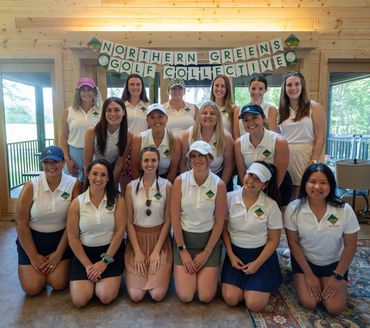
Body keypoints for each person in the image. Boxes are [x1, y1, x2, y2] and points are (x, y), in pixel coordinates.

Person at [284, 163, 360, 315]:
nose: (317, 187)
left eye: (323, 182)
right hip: (306, 261)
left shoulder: (344, 210)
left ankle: (328, 278)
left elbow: (350, 245)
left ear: (331, 185)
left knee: (334, 308)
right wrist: (309, 274)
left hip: (334, 263)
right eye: (312, 181)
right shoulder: (293, 209)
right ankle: (300, 276)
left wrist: (337, 276)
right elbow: (293, 243)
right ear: (305, 183)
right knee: (309, 302)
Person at [15, 146, 82, 296]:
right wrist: (33, 255)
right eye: (46, 162)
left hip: (61, 239)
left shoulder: (74, 184)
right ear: (42, 164)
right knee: (32, 288)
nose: (50, 166)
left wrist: (58, 253)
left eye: (55, 162)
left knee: (58, 283)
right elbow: (21, 224)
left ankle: (52, 270)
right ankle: (37, 270)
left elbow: (72, 224)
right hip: (33, 239)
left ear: (63, 163)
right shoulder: (32, 185)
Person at [221, 161, 282, 312]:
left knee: (254, 304)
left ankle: (255, 286)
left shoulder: (271, 205)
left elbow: (274, 240)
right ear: (245, 174)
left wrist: (257, 264)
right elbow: (224, 230)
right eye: (250, 175)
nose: (251, 181)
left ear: (265, 185)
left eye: (258, 179)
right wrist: (230, 254)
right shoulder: (229, 198)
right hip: (235, 255)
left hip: (261, 256)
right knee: (231, 299)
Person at [171, 140, 227, 303]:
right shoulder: (180, 181)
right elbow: (175, 218)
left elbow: (218, 222)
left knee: (205, 297)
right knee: (186, 296)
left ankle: (209, 267)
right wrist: (183, 250)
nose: (197, 160)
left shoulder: (219, 185)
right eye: (193, 156)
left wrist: (207, 252)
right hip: (184, 242)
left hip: (208, 243)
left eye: (201, 156)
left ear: (210, 158)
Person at [67, 159, 126, 307]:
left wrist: (105, 262)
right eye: (94, 174)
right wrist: (88, 266)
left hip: (110, 253)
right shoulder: (77, 203)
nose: (98, 179)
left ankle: (100, 281)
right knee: (80, 300)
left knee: (105, 296)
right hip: (84, 255)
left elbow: (120, 231)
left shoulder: (118, 199)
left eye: (103, 175)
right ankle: (90, 279)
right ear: (88, 175)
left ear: (108, 178)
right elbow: (73, 237)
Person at [124, 147, 172, 302]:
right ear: (140, 163)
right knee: (136, 296)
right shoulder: (131, 187)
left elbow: (167, 220)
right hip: (136, 241)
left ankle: (162, 269)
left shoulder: (166, 186)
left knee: (157, 295)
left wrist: (156, 251)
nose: (150, 164)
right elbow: (129, 222)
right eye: (146, 160)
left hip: (159, 241)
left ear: (158, 163)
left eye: (153, 160)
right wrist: (137, 252)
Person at [278, 71, 325, 199]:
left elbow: (320, 137)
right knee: (288, 194)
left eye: (297, 84)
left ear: (302, 86)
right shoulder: (281, 110)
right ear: (284, 88)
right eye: (289, 85)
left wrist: (313, 161)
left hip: (307, 156)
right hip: (286, 156)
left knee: (305, 193)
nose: (293, 88)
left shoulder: (314, 107)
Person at [235, 103, 292, 206]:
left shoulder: (279, 141)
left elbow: (280, 173)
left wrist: (268, 195)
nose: (250, 122)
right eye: (246, 120)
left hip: (276, 187)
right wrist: (251, 193)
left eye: (254, 118)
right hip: (252, 186)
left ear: (263, 118)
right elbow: (242, 173)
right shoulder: (239, 143)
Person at [180, 101, 234, 191]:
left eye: (212, 114)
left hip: (218, 176)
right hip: (192, 177)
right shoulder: (188, 135)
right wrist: (186, 183)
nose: (208, 116)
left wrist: (220, 187)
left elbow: (228, 166)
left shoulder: (226, 137)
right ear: (199, 116)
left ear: (218, 118)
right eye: (204, 113)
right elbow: (182, 163)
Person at [84, 97, 133, 188]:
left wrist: (111, 185)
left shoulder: (128, 135)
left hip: (113, 170)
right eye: (109, 110)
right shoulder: (92, 131)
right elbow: (87, 162)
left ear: (123, 112)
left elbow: (119, 163)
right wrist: (92, 182)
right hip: (94, 171)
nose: (113, 114)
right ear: (104, 113)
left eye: (117, 110)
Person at [61, 77, 102, 182]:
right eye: (83, 90)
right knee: (73, 187)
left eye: (89, 90)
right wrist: (67, 160)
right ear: (78, 92)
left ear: (94, 92)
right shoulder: (68, 111)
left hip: (95, 154)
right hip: (74, 155)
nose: (86, 93)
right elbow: (64, 137)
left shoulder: (101, 111)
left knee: (92, 184)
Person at [130, 103, 181, 183]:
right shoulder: (139, 139)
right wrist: (143, 187)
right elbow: (134, 168)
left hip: (166, 180)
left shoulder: (175, 140)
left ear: (166, 118)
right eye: (152, 117)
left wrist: (163, 189)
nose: (156, 121)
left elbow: (173, 170)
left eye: (160, 116)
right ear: (147, 121)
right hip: (142, 179)